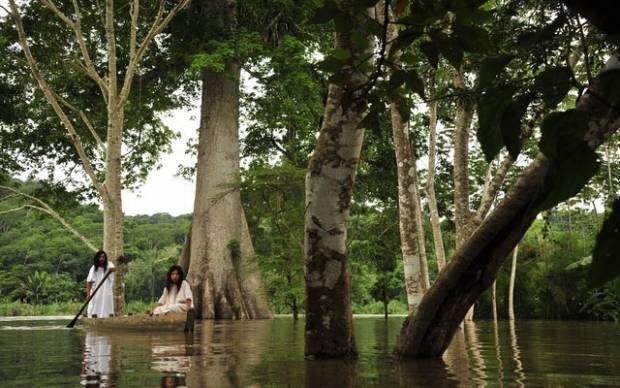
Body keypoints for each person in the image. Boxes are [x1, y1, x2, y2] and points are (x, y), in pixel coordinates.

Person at [86, 250, 115, 318]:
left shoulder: (109, 264)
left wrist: (111, 270)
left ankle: (107, 318)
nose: (102, 259)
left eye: (103, 257)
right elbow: (89, 282)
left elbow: (114, 268)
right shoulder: (93, 268)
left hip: (107, 292)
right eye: (100, 257)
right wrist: (88, 294)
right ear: (97, 258)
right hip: (96, 292)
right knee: (95, 306)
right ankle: (93, 318)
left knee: (107, 306)